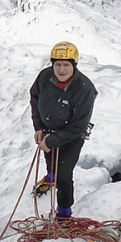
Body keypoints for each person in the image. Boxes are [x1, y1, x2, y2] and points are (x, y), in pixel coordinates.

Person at [29, 41, 97, 219]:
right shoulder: (45, 77)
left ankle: (64, 211)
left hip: (72, 136)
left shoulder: (84, 88)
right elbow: (35, 98)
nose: (61, 69)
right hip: (48, 129)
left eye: (66, 65)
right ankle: (50, 176)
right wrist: (38, 127)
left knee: (64, 176)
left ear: (74, 65)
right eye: (57, 64)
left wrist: (51, 141)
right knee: (49, 155)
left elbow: (78, 126)